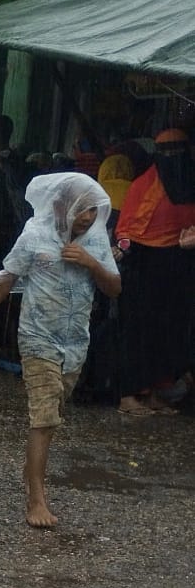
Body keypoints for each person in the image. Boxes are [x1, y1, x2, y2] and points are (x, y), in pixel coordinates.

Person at [0, 173, 121, 529]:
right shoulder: (35, 235)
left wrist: (91, 262)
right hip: (38, 339)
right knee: (43, 417)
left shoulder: (95, 240)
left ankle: (31, 471)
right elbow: (4, 282)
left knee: (53, 411)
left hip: (75, 343)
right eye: (80, 209)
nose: (86, 217)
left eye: (91, 210)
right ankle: (36, 497)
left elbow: (114, 288)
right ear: (60, 205)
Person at [114, 127, 195, 416]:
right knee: (139, 331)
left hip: (179, 266)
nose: (173, 158)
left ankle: (157, 391)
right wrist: (123, 248)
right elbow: (126, 229)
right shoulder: (143, 186)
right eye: (167, 152)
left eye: (179, 151)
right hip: (144, 267)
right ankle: (129, 395)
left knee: (170, 331)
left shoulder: (189, 183)